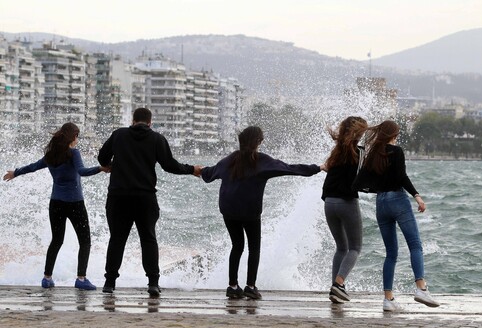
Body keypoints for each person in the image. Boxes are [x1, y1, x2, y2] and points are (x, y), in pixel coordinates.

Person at [201, 126, 324, 300]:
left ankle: (232, 286)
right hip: (250, 213)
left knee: (237, 246)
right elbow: (289, 168)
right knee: (254, 248)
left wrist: (194, 170)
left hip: (228, 210)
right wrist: (318, 168)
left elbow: (209, 173)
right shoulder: (261, 161)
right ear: (258, 142)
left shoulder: (230, 159)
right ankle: (250, 287)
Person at [98, 107, 202, 297]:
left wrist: (110, 166)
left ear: (133, 120)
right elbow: (170, 165)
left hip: (118, 197)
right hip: (145, 198)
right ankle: (153, 283)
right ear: (149, 122)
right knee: (148, 239)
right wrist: (191, 169)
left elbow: (102, 157)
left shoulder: (119, 135)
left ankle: (109, 283)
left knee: (117, 239)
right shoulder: (157, 139)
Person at [3, 122, 108, 290]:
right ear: (73, 137)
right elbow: (82, 171)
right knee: (85, 241)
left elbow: (33, 167)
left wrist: (15, 173)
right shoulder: (74, 153)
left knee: (56, 240)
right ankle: (81, 279)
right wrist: (101, 168)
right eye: (77, 136)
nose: (77, 140)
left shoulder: (51, 155)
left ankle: (47, 278)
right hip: (75, 203)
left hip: (56, 203)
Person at [352, 120, 440, 312]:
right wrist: (417, 196)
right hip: (398, 201)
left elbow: (358, 184)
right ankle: (421, 288)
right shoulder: (397, 151)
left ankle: (388, 299)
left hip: (381, 204)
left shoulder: (372, 154)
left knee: (391, 253)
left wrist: (378, 188)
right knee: (415, 245)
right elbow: (402, 177)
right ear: (393, 134)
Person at [321, 116, 368, 303]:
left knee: (341, 247)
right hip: (346, 202)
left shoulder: (337, 151)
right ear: (359, 133)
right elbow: (364, 176)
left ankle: (336, 289)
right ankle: (339, 284)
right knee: (355, 247)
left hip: (328, 202)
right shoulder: (359, 152)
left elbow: (328, 169)